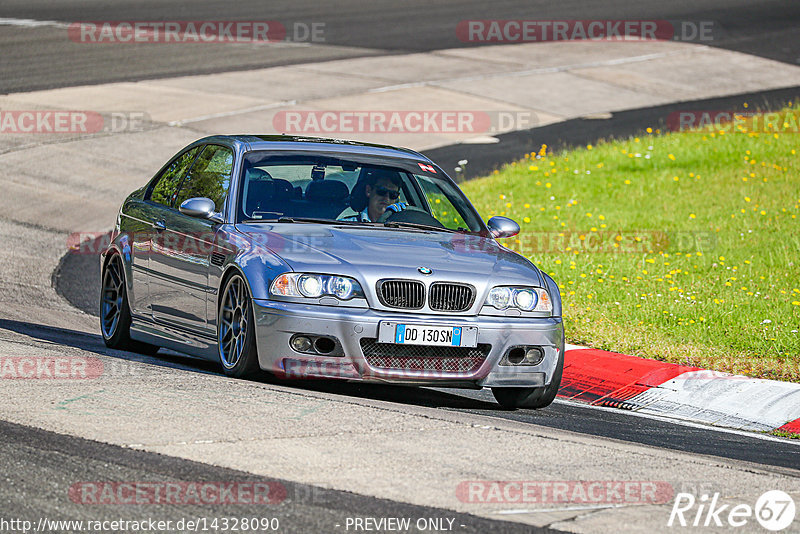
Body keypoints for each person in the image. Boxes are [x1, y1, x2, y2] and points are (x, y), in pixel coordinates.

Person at [339, 168, 406, 222]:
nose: (387, 198)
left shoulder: (404, 228)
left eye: (393, 194)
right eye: (382, 191)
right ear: (368, 191)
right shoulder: (345, 225)